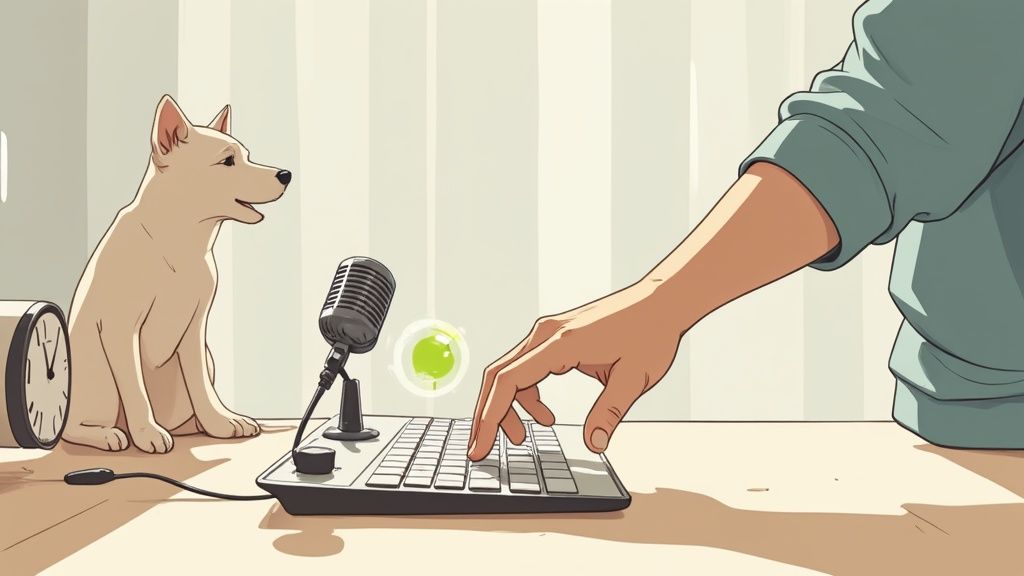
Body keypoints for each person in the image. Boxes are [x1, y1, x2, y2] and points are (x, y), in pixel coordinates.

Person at [467, 0, 1024, 461]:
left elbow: (870, 139)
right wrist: (657, 307)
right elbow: (885, 122)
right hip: (981, 424)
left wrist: (659, 306)